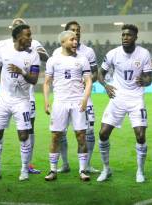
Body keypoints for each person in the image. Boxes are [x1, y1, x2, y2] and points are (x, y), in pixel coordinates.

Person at [0, 18, 49, 175]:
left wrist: (22, 71)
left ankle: (25, 168)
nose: (31, 38)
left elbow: (34, 79)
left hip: (23, 100)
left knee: (25, 133)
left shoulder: (33, 53)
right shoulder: (3, 48)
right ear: (18, 34)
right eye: (28, 35)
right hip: (3, 99)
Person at [96, 24, 152, 183]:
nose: (125, 38)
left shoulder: (144, 54)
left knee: (141, 136)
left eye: (129, 35)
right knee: (103, 133)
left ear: (135, 37)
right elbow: (101, 73)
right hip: (117, 98)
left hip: (136, 99)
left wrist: (144, 81)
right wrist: (106, 86)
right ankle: (106, 169)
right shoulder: (113, 53)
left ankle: (140, 171)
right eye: (123, 35)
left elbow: (149, 79)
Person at [43, 31, 92, 181]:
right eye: (72, 39)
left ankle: (83, 170)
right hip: (60, 102)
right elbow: (46, 83)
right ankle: (53, 171)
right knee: (56, 136)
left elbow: (88, 81)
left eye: (76, 39)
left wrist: (85, 99)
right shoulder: (53, 60)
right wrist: (46, 101)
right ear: (63, 42)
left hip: (77, 101)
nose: (75, 42)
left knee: (81, 136)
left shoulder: (82, 59)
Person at [52, 21, 99, 174]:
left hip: (83, 97)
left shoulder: (88, 52)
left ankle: (87, 164)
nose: (76, 33)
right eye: (73, 31)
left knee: (89, 131)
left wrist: (86, 80)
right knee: (62, 132)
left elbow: (95, 74)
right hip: (64, 98)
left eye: (78, 30)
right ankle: (65, 164)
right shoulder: (56, 53)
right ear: (66, 34)